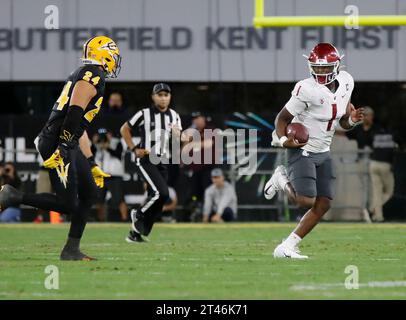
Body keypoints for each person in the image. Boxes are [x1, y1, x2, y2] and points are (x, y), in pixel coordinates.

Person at [0, 36, 121, 260]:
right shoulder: (92, 73)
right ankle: (12, 196)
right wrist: (63, 145)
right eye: (113, 55)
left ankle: (71, 249)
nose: (115, 60)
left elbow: (80, 125)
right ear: (103, 54)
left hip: (66, 139)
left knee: (89, 192)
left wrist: (91, 162)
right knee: (67, 203)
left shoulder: (91, 73)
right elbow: (74, 113)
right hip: (57, 140)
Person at [265, 43, 364, 259]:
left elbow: (343, 122)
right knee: (305, 201)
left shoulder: (346, 82)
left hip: (323, 149)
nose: (320, 72)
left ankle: (287, 246)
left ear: (337, 66)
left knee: (323, 204)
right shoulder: (305, 89)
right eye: (317, 68)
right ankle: (280, 178)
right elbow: (282, 118)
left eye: (325, 68)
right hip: (302, 148)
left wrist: (352, 121)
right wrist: (283, 140)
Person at [120, 83, 190, 242]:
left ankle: (134, 234)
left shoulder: (174, 115)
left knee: (159, 198)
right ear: (153, 97)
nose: (163, 98)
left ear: (170, 97)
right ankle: (137, 214)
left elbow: (179, 139)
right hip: (146, 159)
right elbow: (124, 129)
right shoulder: (144, 114)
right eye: (160, 95)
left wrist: (182, 141)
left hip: (163, 160)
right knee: (162, 193)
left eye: (166, 95)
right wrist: (133, 148)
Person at [347, 107, 397, 222]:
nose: (365, 118)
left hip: (373, 162)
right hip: (370, 162)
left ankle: (374, 212)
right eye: (364, 115)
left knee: (378, 192)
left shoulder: (377, 130)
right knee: (379, 191)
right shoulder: (360, 129)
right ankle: (372, 211)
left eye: (368, 115)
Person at [92, 128, 128, 222]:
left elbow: (118, 154)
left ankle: (124, 219)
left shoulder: (117, 142)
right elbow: (90, 154)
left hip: (114, 175)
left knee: (119, 198)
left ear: (110, 134)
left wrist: (107, 146)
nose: (103, 137)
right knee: (99, 199)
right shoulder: (96, 145)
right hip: (100, 175)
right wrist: (94, 143)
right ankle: (100, 219)